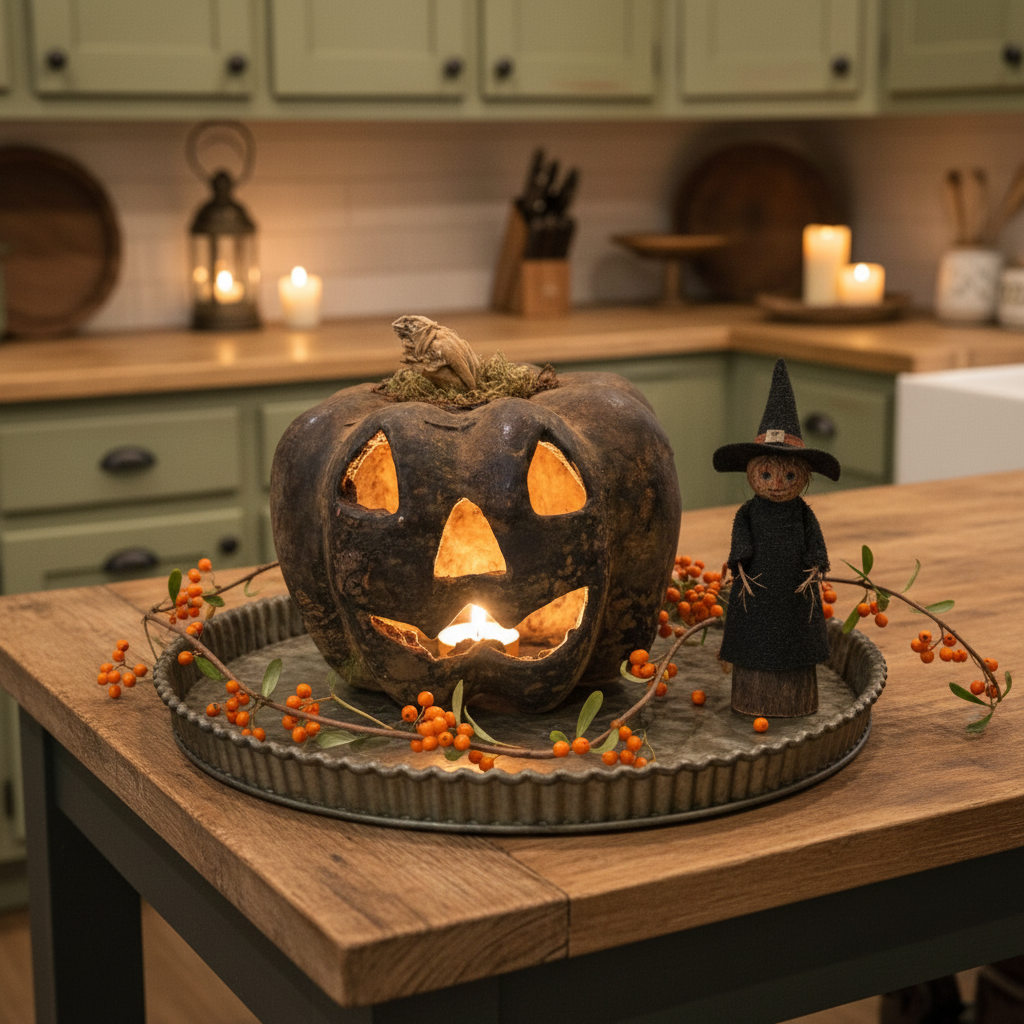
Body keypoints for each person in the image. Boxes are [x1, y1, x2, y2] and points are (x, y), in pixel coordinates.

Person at [711, 359, 842, 717]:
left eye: (787, 475)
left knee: (796, 641)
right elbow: (741, 540)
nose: (777, 483)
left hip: (797, 591)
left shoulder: (802, 513)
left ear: (802, 476)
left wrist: (817, 566)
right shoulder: (749, 513)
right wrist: (740, 562)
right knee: (753, 640)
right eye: (766, 474)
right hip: (756, 589)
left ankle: (797, 700)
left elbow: (814, 540)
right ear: (753, 474)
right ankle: (751, 697)